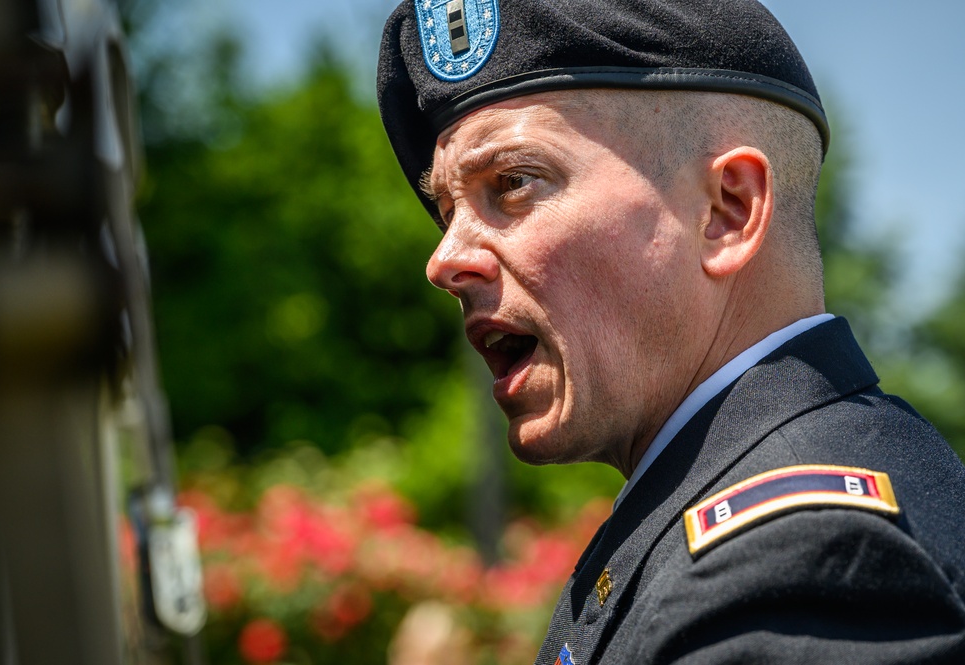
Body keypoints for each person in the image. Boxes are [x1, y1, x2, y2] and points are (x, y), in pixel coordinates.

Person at [376, 1, 965, 663]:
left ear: (728, 210)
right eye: (448, 209)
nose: (444, 260)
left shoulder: (804, 557)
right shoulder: (730, 503)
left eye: (512, 182)